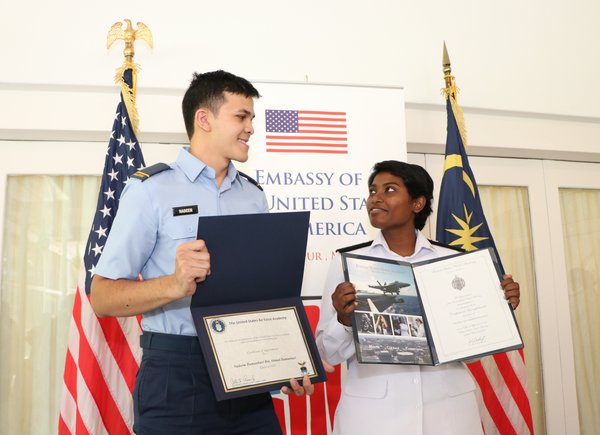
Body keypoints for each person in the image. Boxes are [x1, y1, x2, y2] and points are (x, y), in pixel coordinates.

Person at [91, 70, 312, 435]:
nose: (251, 128)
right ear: (204, 119)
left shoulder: (253, 196)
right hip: (178, 374)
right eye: (241, 116)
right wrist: (174, 284)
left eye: (252, 118)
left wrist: (289, 363)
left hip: (249, 375)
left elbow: (263, 295)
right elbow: (102, 297)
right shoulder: (151, 190)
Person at [316, 160, 521, 435]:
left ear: (417, 203)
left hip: (449, 414)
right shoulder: (347, 263)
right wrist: (343, 320)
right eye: (372, 190)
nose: (375, 197)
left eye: (389, 189)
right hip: (374, 417)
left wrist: (499, 307)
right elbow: (327, 353)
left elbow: (473, 350)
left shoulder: (455, 261)